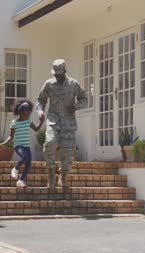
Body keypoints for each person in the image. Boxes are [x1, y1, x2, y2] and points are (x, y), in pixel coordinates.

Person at [36, 59, 87, 189]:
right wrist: (40, 111)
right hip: (53, 120)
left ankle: (63, 177)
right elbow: (41, 99)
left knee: (68, 151)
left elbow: (84, 98)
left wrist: (75, 106)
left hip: (68, 122)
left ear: (64, 71)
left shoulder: (73, 84)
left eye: (59, 73)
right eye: (55, 74)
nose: (57, 76)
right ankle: (51, 172)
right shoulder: (49, 84)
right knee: (49, 143)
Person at [0, 99, 44, 188]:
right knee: (25, 157)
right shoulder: (14, 123)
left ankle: (21, 180)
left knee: (28, 163)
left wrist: (41, 122)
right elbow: (11, 137)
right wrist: (3, 143)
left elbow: (36, 129)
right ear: (20, 112)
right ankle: (15, 169)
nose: (26, 115)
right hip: (18, 146)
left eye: (28, 114)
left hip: (27, 147)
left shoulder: (28, 121)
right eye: (24, 114)